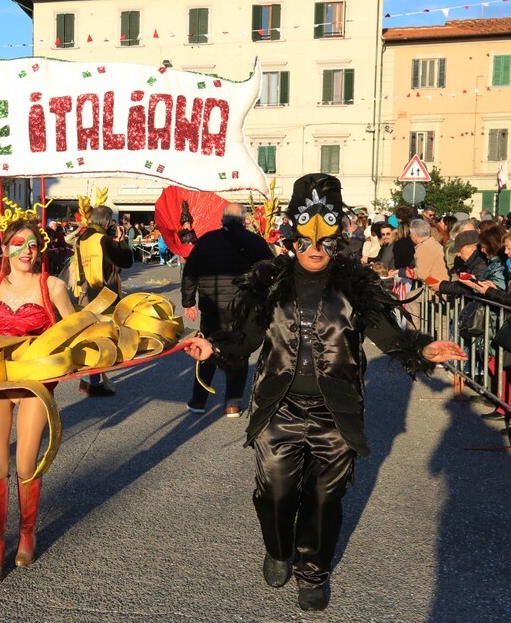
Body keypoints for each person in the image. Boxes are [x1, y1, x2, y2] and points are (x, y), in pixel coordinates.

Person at [182, 174, 466, 612]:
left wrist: (424, 348)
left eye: (327, 243)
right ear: (291, 239)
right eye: (305, 242)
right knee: (274, 494)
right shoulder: (269, 283)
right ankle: (279, 549)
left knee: (324, 498)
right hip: (279, 407)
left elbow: (389, 335)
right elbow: (247, 337)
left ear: (339, 242)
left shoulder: (356, 286)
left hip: (336, 410)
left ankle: (313, 572)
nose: (316, 250)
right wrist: (213, 345)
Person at [0, 209, 75, 583]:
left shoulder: (53, 287)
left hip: (36, 384)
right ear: (4, 248)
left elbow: (76, 331)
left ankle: (27, 535)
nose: (27, 250)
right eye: (18, 244)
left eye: (33, 244)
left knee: (24, 465)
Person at [180, 203, 273, 417]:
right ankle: (232, 403)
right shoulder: (256, 242)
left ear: (222, 219)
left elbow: (190, 272)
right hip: (244, 306)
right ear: (244, 220)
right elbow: (271, 271)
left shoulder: (207, 240)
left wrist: (188, 302)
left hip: (211, 305)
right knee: (238, 352)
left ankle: (198, 400)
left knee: (206, 350)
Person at [72, 203, 134, 396]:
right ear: (107, 222)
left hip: (85, 292)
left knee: (89, 335)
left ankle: (86, 380)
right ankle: (95, 383)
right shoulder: (103, 240)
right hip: (104, 294)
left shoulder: (82, 238)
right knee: (103, 337)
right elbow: (126, 261)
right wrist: (121, 241)